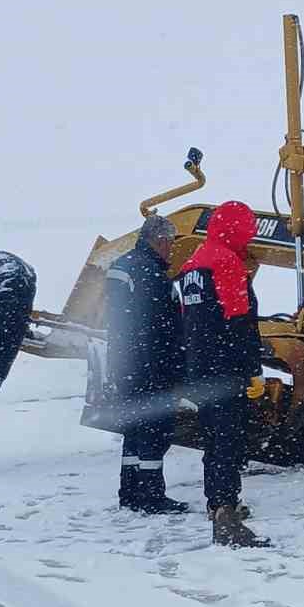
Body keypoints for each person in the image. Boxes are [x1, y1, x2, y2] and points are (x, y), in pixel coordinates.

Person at [176, 200, 269, 547]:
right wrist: (253, 371)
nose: (250, 238)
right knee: (228, 440)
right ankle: (225, 512)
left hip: (200, 368)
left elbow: (189, 322)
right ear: (236, 230)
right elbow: (239, 322)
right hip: (226, 370)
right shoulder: (227, 263)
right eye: (247, 231)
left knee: (213, 438)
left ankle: (215, 502)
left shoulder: (191, 265)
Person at [103, 212, 188, 515]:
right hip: (150, 366)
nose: (172, 249)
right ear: (160, 240)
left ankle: (130, 492)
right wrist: (177, 366)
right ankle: (152, 495)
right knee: (155, 429)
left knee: (134, 429)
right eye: (171, 243)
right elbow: (161, 327)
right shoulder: (151, 274)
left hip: (125, 363)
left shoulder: (121, 265)